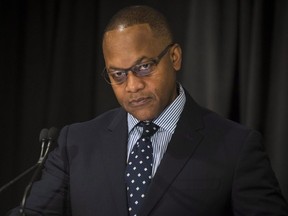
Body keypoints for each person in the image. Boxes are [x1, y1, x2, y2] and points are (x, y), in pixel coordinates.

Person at [8, 5, 288, 216]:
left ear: (174, 57)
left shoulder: (237, 147)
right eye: (118, 74)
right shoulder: (76, 143)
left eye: (144, 67)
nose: (132, 86)